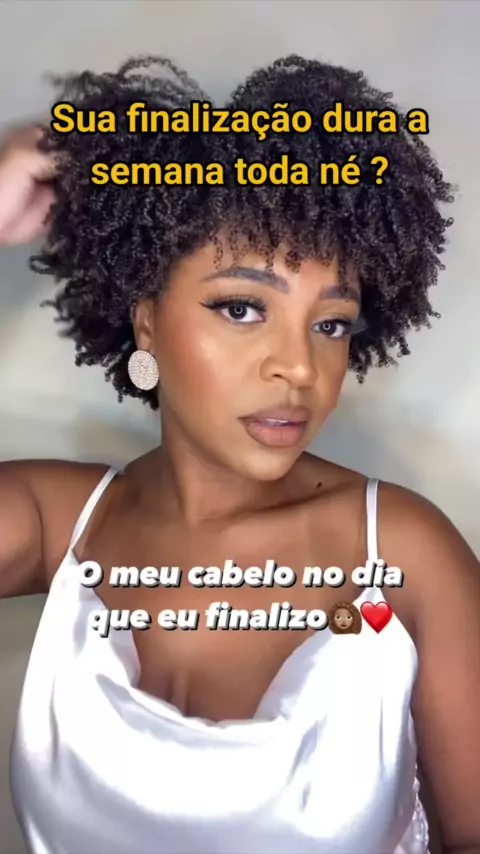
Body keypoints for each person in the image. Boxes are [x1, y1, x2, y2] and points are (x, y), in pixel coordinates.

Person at [0, 54, 478, 854]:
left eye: (331, 323)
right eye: (242, 307)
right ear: (146, 320)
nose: (300, 367)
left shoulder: (404, 556)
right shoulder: (57, 524)